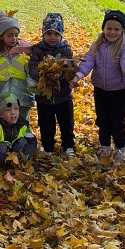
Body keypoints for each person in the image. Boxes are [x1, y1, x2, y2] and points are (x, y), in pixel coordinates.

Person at [72, 10, 125, 162]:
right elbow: (88, 61)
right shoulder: (98, 45)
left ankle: (120, 147)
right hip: (100, 90)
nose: (112, 32)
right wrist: (77, 76)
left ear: (122, 31)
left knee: (117, 121)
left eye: (116, 29)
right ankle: (104, 145)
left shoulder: (124, 47)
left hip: (119, 91)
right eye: (109, 28)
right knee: (102, 120)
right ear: (103, 28)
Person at [28, 13, 76, 157]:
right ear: (43, 33)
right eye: (48, 33)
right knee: (46, 124)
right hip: (44, 96)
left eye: (56, 33)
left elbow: (71, 69)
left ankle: (68, 146)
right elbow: (32, 69)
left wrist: (61, 75)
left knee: (66, 123)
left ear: (61, 34)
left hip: (63, 95)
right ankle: (48, 147)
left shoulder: (66, 50)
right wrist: (44, 74)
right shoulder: (38, 50)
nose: (52, 37)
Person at [0, 11, 34, 120]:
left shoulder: (25, 54)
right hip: (5, 100)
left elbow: (30, 75)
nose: (14, 38)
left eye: (16, 35)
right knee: (6, 127)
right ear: (1, 36)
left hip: (23, 98)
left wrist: (34, 90)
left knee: (23, 125)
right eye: (10, 35)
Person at [0, 92, 37, 166]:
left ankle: (20, 160)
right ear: (1, 114)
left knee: (23, 142)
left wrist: (25, 155)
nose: (13, 113)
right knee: (0, 147)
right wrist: (5, 160)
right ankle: (6, 163)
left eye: (16, 109)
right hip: (3, 156)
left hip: (18, 152)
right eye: (8, 110)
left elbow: (32, 142)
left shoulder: (23, 124)